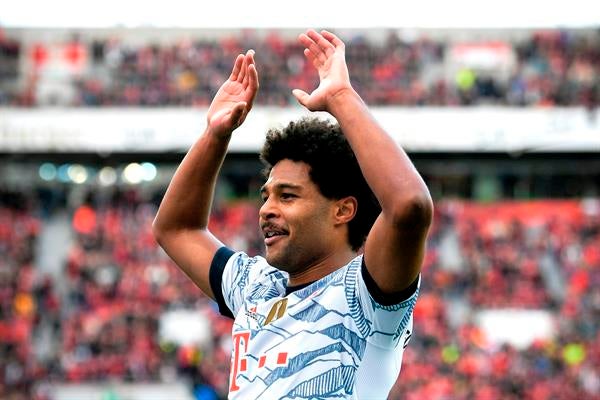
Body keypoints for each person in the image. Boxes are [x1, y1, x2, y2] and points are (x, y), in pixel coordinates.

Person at [153, 29, 433, 399]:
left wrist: (341, 97)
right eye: (265, 196)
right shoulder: (256, 286)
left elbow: (409, 206)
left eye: (287, 196)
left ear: (343, 210)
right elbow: (176, 229)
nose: (267, 210)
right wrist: (214, 136)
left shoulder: (368, 294)